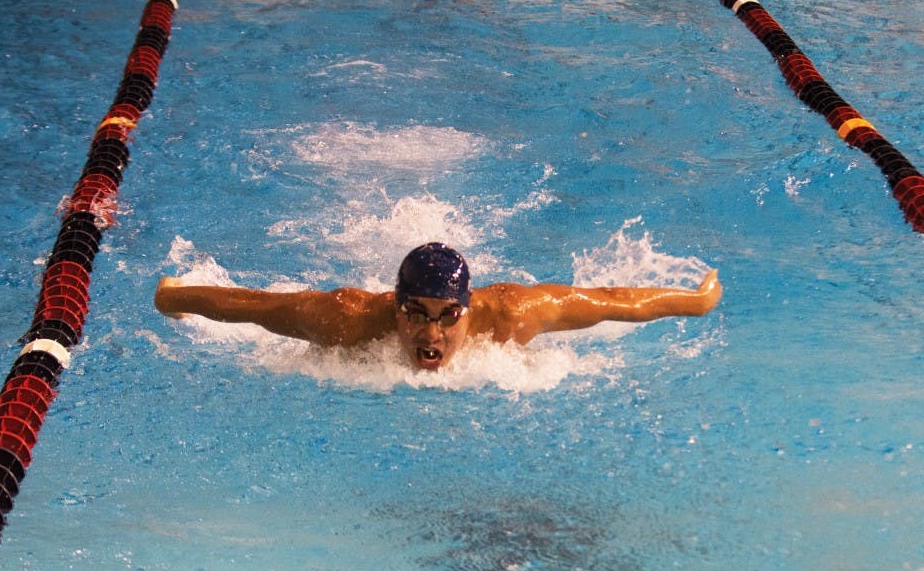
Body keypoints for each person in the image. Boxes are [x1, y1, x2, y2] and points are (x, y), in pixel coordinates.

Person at [154, 243, 722, 371]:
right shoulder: (347, 320)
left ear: (467, 309)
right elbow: (251, 305)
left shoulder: (514, 314)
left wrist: (694, 303)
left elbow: (613, 303)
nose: (432, 331)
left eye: (448, 314)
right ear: (396, 308)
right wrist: (173, 296)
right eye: (417, 313)